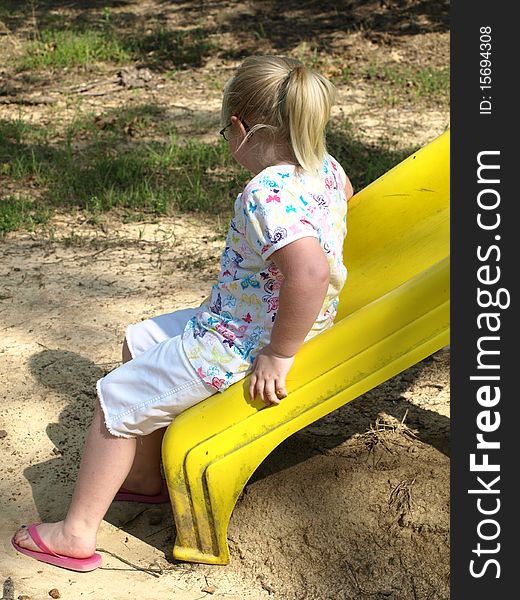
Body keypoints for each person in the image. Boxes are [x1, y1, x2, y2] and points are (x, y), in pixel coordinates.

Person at [11, 55, 354, 571]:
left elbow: (307, 274)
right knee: (138, 338)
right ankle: (147, 482)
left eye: (224, 132)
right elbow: (346, 200)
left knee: (114, 399)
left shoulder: (267, 192)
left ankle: (76, 532)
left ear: (239, 128)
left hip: (241, 344)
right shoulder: (326, 167)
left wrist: (278, 354)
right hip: (246, 319)